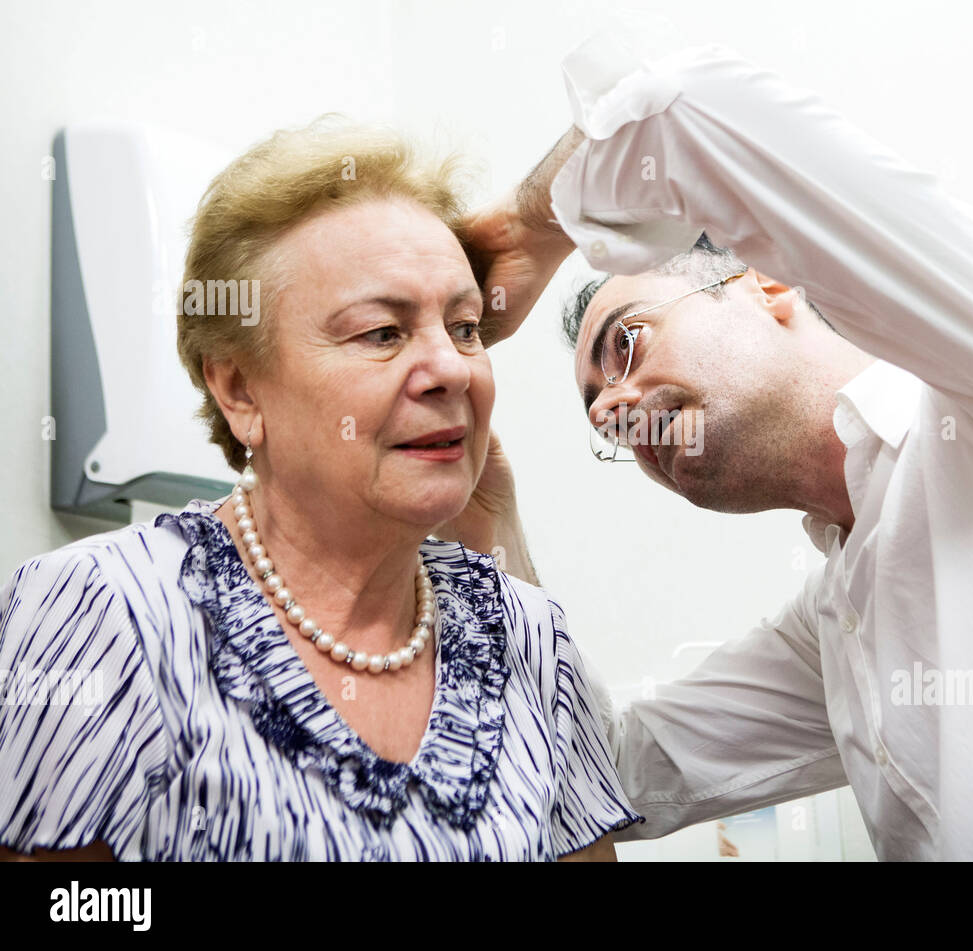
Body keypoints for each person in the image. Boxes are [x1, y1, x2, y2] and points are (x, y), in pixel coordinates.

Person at [460, 35, 973, 859]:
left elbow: (687, 109)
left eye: (626, 344)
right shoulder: (834, 628)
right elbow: (609, 774)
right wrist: (485, 522)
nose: (615, 405)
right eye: (600, 415)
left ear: (767, 284)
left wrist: (526, 230)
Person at [0, 117, 641, 861]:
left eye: (465, 328)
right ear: (240, 388)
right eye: (381, 333)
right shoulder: (105, 609)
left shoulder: (528, 633)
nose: (454, 368)